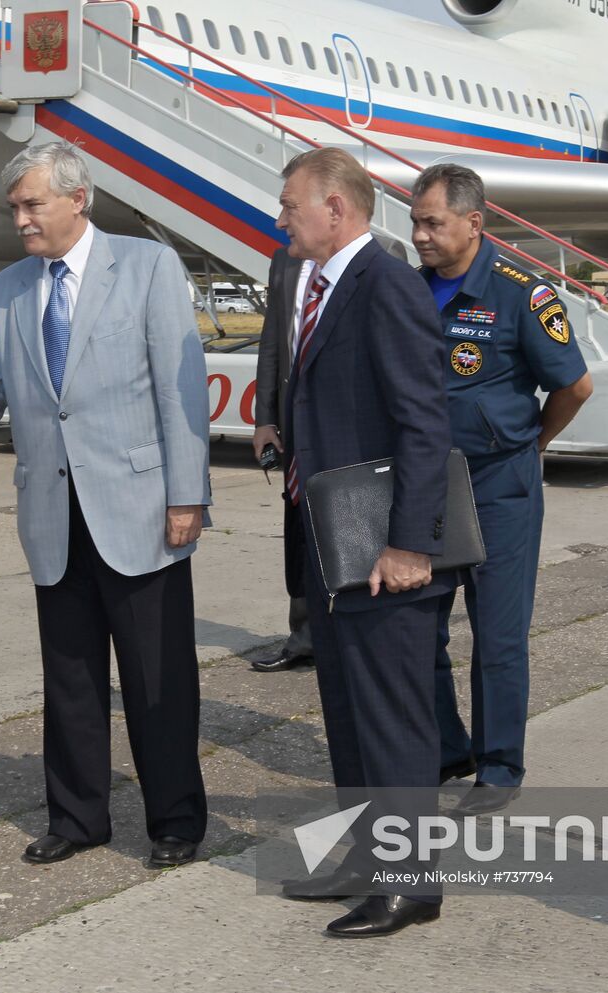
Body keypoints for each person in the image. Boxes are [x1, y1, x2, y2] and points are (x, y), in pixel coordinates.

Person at [0, 142, 212, 869]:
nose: (20, 219)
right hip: (53, 512)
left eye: (33, 205)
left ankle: (175, 819)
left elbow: (180, 391)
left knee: (158, 677)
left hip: (142, 505)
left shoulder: (146, 269)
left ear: (77, 199)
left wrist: (188, 492)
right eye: (15, 207)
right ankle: (78, 817)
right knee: (72, 676)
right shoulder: (10, 289)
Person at [272, 148, 454, 937]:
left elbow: (424, 422)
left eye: (290, 205)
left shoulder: (387, 284)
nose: (281, 217)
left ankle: (411, 882)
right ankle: (368, 855)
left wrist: (411, 543)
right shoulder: (317, 282)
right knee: (346, 710)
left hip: (385, 544)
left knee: (392, 715)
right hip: (331, 533)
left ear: (336, 209)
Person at [409, 164, 593, 815]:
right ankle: (447, 745)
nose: (420, 234)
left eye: (432, 222)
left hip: (497, 485)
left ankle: (498, 763)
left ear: (473, 223)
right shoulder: (411, 290)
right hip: (425, 486)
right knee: (418, 627)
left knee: (498, 631)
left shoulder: (522, 294)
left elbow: (575, 386)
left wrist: (529, 444)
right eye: (415, 221)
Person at [251, 246, 313, 673]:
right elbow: (273, 340)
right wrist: (265, 418)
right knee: (298, 533)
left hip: (344, 431)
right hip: (293, 426)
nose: (280, 220)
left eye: (290, 207)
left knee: (342, 532)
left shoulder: (383, 253)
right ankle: (304, 638)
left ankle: (346, 640)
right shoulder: (285, 261)